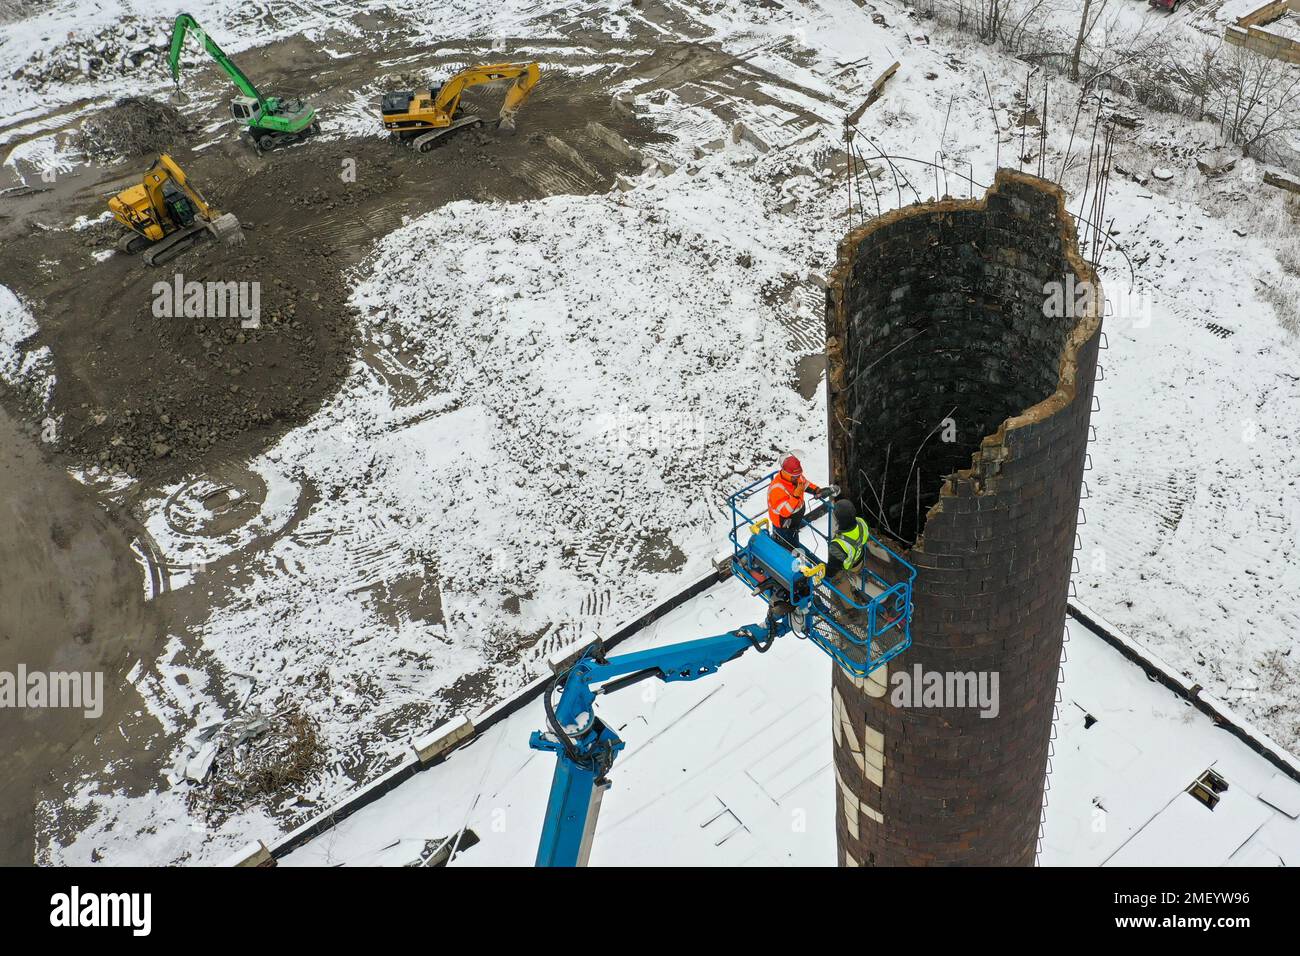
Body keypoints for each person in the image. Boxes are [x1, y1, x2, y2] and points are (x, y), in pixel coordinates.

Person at [767, 455, 833, 552]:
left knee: (794, 545)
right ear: (785, 473)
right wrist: (795, 496)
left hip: (793, 524)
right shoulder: (777, 489)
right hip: (785, 528)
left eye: (798, 475)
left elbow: (805, 484)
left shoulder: (795, 478)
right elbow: (785, 512)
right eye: (795, 476)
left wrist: (817, 490)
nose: (798, 478)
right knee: (790, 550)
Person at [827, 498, 871, 579]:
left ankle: (849, 582)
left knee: (834, 578)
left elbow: (831, 570)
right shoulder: (861, 522)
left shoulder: (837, 545)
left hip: (850, 566)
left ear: (838, 519)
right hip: (861, 559)